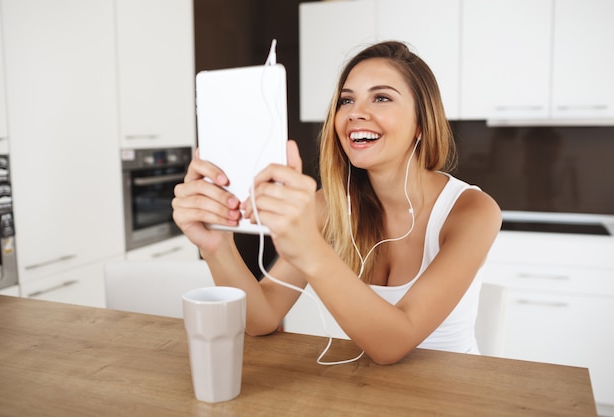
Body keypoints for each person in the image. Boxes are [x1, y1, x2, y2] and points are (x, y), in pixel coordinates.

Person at [172, 40, 502, 365]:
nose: (356, 113)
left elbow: (394, 343)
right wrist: (217, 247)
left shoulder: (472, 211)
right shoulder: (328, 206)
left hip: (456, 395)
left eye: (381, 97)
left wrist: (310, 248)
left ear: (420, 123)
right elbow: (261, 318)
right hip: (363, 391)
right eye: (346, 100)